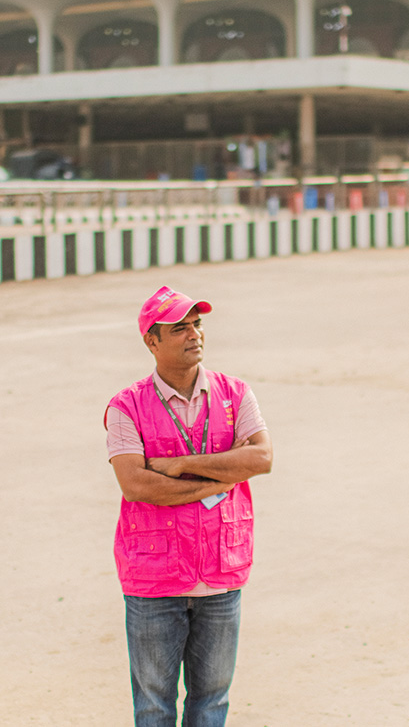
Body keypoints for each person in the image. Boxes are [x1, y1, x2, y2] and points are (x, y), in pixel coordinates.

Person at [105, 286, 273, 727]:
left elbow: (261, 458)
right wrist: (223, 475)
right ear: (151, 341)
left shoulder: (235, 394)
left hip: (221, 573)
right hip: (154, 580)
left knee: (212, 701)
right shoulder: (127, 405)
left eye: (196, 324)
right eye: (179, 328)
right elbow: (136, 484)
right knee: (154, 706)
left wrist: (181, 466)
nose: (193, 334)